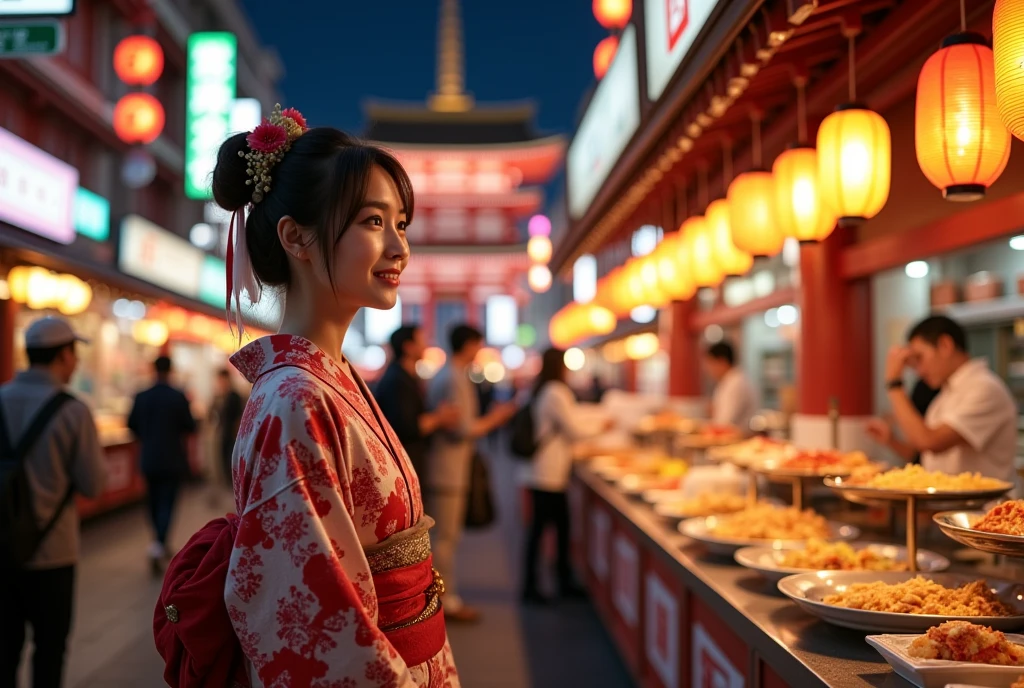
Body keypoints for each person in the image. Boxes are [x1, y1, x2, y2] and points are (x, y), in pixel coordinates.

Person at [206, 106, 459, 684]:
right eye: (373, 221)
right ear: (296, 236)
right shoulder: (296, 398)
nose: (400, 248)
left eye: (402, 224)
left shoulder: (329, 380)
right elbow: (315, 626)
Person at [0, 316, 105, 688]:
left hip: (2, 551)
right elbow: (93, 484)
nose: (76, 363)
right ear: (63, 354)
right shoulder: (74, 411)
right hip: (53, 555)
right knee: (49, 649)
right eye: (74, 354)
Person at [425, 324, 516, 623]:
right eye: (478, 345)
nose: (480, 351)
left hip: (446, 467)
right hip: (447, 469)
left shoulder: (449, 375)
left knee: (445, 537)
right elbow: (464, 429)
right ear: (468, 345)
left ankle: (442, 598)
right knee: (445, 539)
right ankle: (444, 601)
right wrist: (497, 418)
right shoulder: (454, 378)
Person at [867, 315, 1018, 490]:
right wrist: (891, 440)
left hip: (985, 512)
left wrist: (894, 383)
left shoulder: (985, 388)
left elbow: (930, 442)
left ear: (945, 345)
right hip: (957, 509)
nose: (919, 371)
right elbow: (922, 452)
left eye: (920, 358)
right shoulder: (947, 392)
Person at [522, 348, 611, 605]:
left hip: (542, 471)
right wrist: (602, 426)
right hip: (548, 474)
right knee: (553, 529)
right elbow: (573, 429)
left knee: (544, 529)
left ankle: (545, 582)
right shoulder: (556, 391)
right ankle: (548, 584)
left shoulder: (542, 389)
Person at [128, 356, 197, 576]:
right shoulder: (178, 396)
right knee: (168, 502)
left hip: (148, 458)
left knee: (152, 501)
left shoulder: (141, 396)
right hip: (173, 459)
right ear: (171, 370)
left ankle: (158, 541)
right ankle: (159, 543)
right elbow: (190, 426)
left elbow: (131, 424)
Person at [376, 324, 459, 479]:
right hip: (402, 464)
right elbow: (407, 427)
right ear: (408, 347)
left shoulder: (406, 377)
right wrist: (439, 418)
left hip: (410, 461)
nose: (426, 345)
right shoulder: (397, 381)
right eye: (421, 340)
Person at [704, 341, 758, 433]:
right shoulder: (729, 380)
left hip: (738, 441)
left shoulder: (735, 383)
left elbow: (724, 423)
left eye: (710, 364)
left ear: (722, 361)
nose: (708, 369)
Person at [209, 368, 244, 488]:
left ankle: (232, 483)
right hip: (224, 432)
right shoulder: (221, 396)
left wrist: (237, 434)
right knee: (223, 458)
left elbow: (239, 416)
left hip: (232, 434)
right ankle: (228, 482)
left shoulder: (234, 396)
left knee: (230, 458)